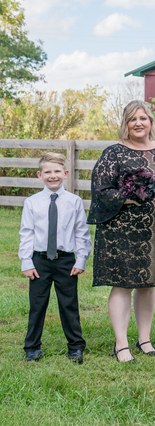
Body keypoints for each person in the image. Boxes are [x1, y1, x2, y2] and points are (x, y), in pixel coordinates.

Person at [88, 101, 155, 363]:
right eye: (132, 119)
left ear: (151, 121)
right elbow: (101, 189)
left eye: (143, 118)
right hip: (123, 230)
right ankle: (121, 343)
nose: (138, 123)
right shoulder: (114, 153)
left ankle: (145, 339)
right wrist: (129, 197)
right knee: (123, 284)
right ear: (125, 124)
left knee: (148, 285)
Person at [19, 152, 91, 364]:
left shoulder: (74, 202)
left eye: (57, 171)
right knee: (37, 305)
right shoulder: (31, 203)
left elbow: (81, 232)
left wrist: (81, 259)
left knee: (69, 304)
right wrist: (26, 261)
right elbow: (27, 233)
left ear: (65, 174)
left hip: (65, 261)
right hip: (39, 261)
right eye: (47, 172)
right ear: (39, 175)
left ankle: (75, 347)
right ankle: (32, 348)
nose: (53, 176)